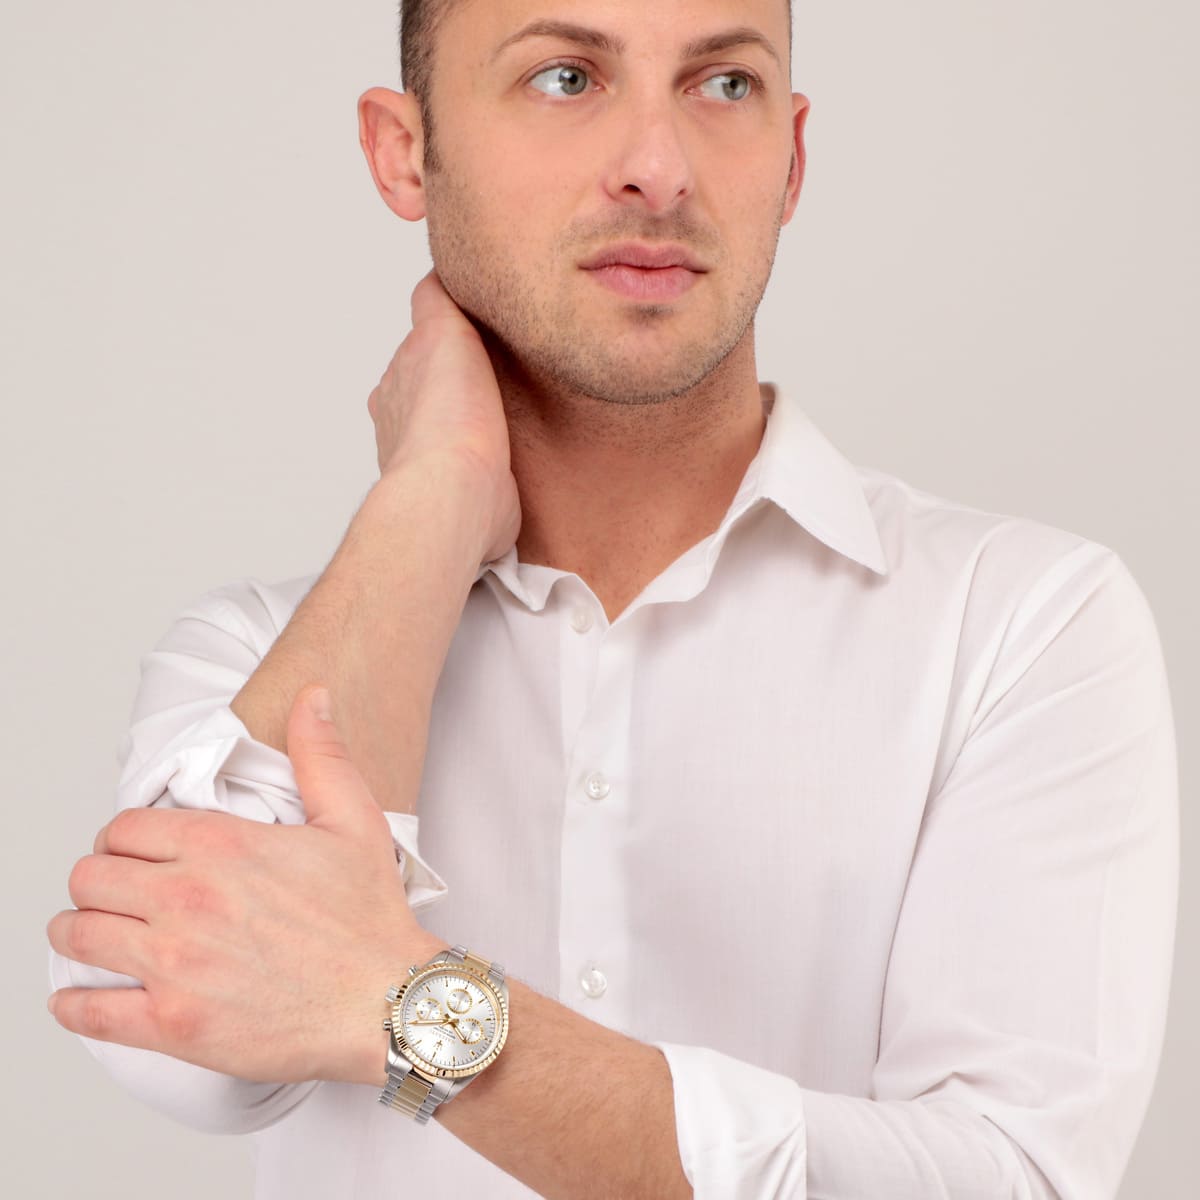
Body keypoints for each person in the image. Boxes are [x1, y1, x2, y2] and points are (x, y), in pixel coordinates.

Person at [45, 1, 1179, 1197]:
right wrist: (434, 497)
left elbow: (1012, 1178)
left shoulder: (1020, 626)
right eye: (566, 78)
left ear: (792, 160)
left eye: (724, 85)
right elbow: (181, 1047)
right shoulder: (253, 650)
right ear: (404, 152)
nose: (658, 168)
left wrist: (407, 1006)